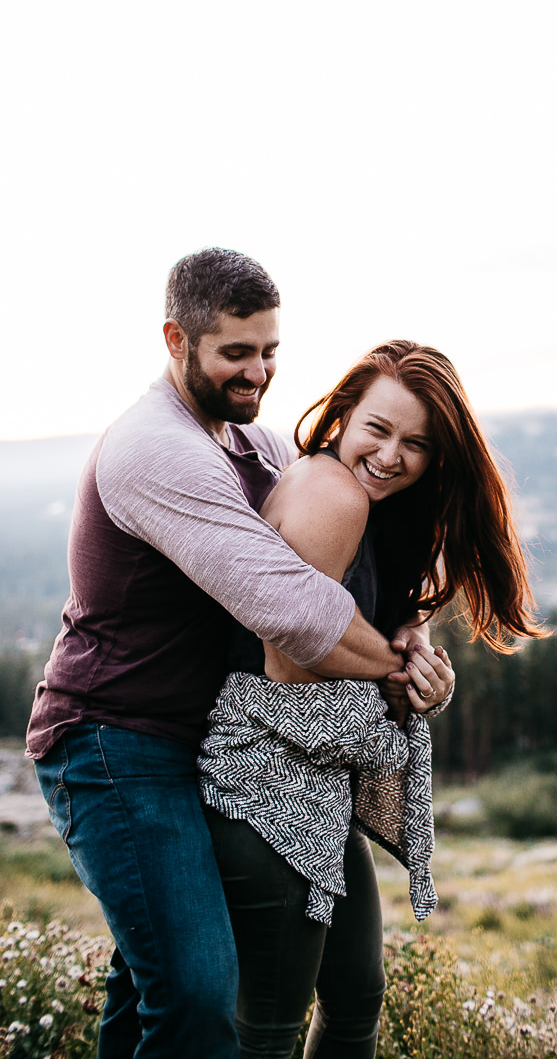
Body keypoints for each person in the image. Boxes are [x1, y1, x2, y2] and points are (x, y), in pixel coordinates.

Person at [26, 249, 453, 1059]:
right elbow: (292, 610)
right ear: (175, 339)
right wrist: (403, 675)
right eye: (235, 353)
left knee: (150, 991)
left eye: (270, 351)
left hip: (197, 745)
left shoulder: (253, 446)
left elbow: (342, 582)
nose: (258, 372)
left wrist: (412, 632)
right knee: (196, 993)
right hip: (116, 741)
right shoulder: (157, 449)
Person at [198, 339, 547, 1059]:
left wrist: (418, 656)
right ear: (342, 415)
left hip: (316, 783)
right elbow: (291, 663)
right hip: (262, 782)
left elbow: (369, 620)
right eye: (378, 430)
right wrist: (395, 672)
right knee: (270, 1023)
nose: (392, 456)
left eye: (416, 444)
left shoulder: (375, 508)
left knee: (356, 999)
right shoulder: (332, 492)